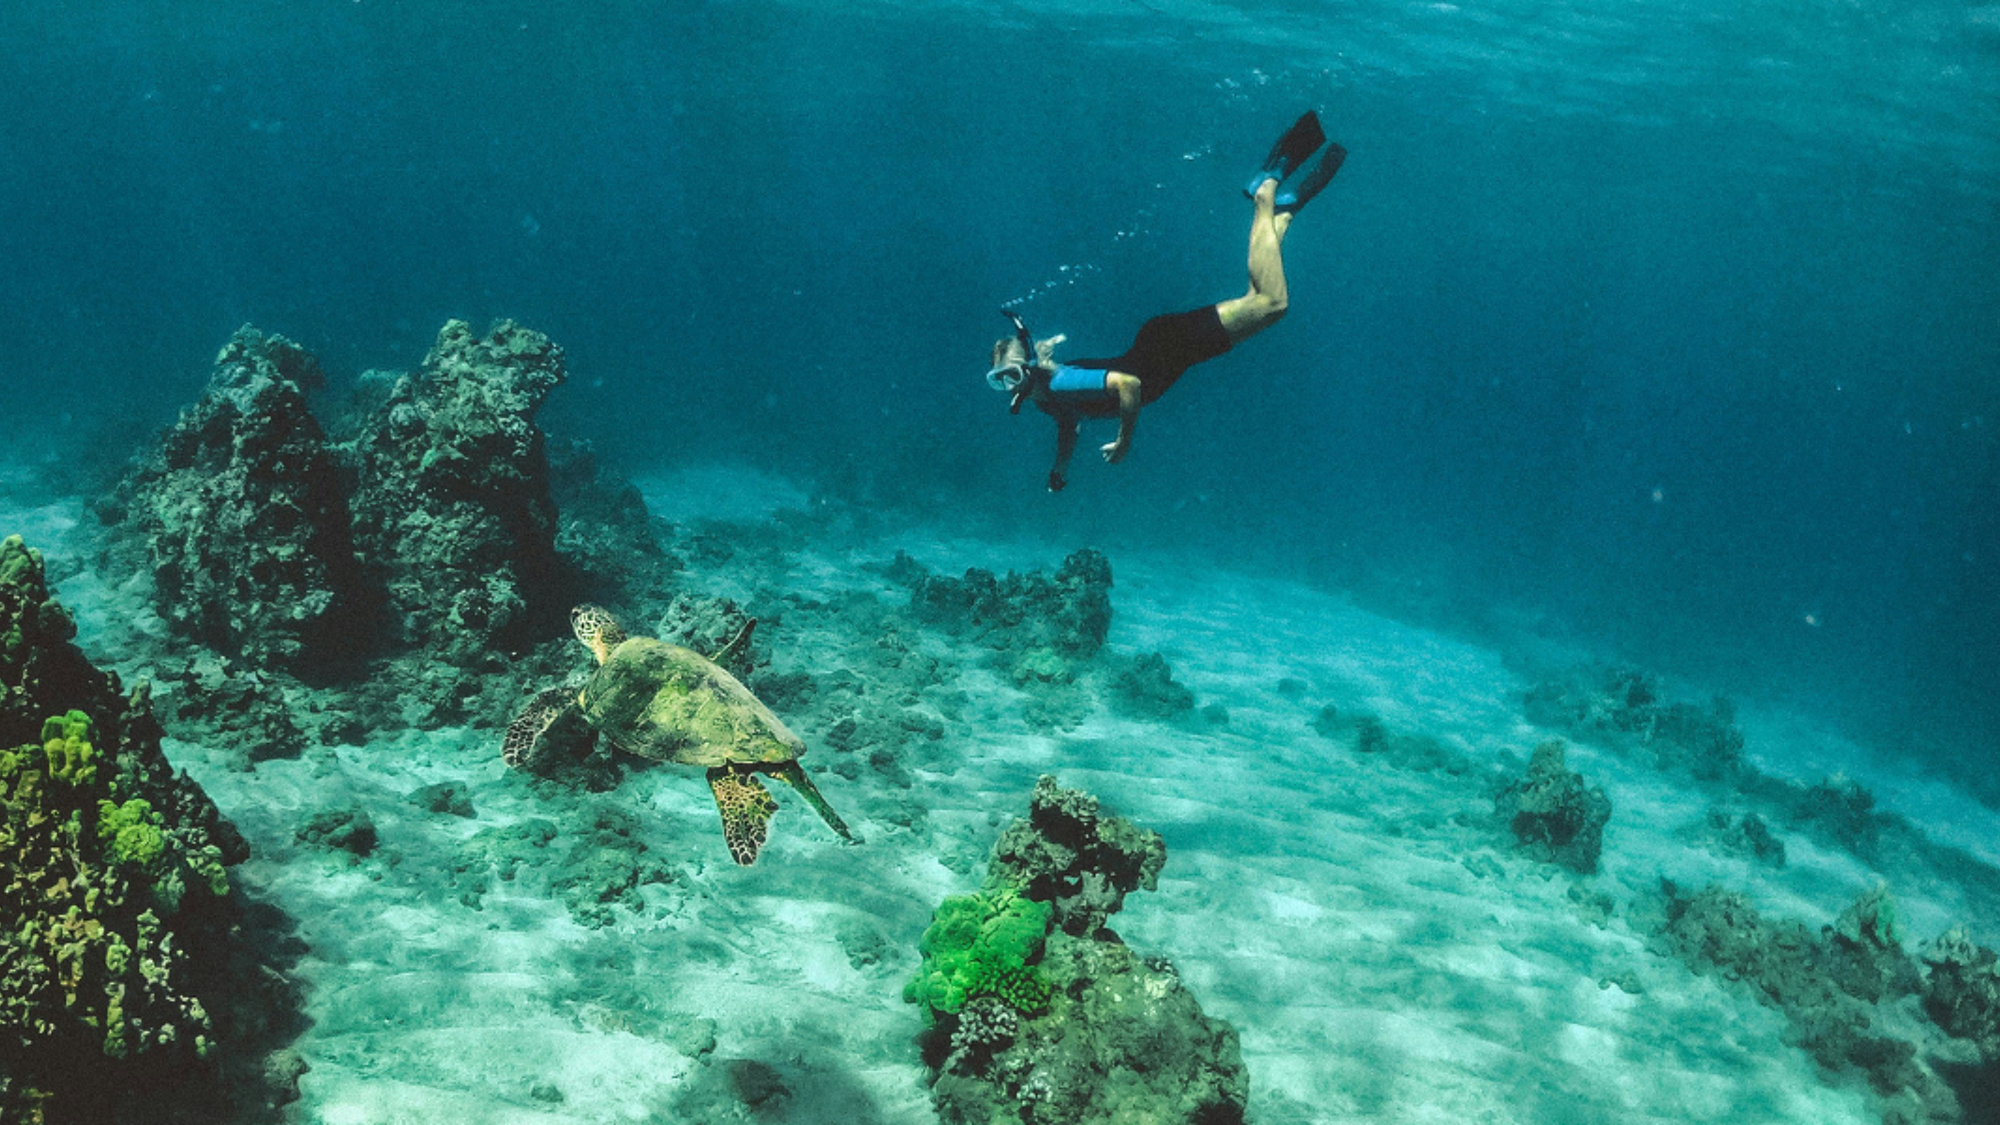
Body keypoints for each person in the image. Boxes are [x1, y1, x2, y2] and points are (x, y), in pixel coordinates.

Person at [987, 111, 1345, 492]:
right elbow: (1068, 425)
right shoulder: (1047, 400)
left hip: (1170, 345)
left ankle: (1267, 192)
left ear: (1026, 363)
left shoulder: (1059, 383)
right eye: (1000, 381)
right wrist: (1060, 469)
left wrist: (1125, 441)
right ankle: (1280, 216)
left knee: (1271, 303)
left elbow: (1128, 385)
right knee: (1262, 299)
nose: (1009, 387)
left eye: (1010, 374)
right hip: (1172, 350)